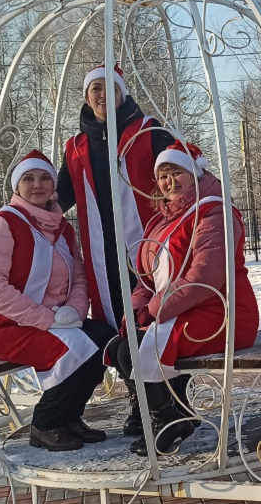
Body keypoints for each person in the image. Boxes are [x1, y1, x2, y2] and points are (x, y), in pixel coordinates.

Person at [107, 140, 260, 455]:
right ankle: (175, 415)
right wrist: (137, 309)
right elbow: (145, 278)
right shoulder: (160, 220)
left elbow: (206, 275)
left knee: (136, 349)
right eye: (163, 176)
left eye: (176, 172)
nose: (169, 182)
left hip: (221, 312)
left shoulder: (215, 211)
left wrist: (154, 309)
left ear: (194, 172)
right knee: (121, 345)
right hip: (179, 310)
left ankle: (170, 422)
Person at [0, 150, 117, 452]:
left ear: (54, 186)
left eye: (45, 178)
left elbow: (79, 277)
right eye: (28, 179)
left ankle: (69, 417)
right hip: (3, 326)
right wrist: (49, 319)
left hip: (55, 321)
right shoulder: (4, 223)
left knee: (105, 337)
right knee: (75, 347)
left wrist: (75, 312)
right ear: (17, 187)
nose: (37, 185)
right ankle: (45, 423)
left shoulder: (63, 228)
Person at [56, 65, 176, 424]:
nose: (102, 94)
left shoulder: (148, 131)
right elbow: (63, 195)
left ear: (123, 92)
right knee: (116, 321)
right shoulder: (76, 147)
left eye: (109, 87)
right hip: (103, 252)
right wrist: (23, 209)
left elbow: (178, 173)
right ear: (86, 96)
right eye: (94, 87)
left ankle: (166, 400)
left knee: (154, 316)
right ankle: (139, 398)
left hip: (149, 245)